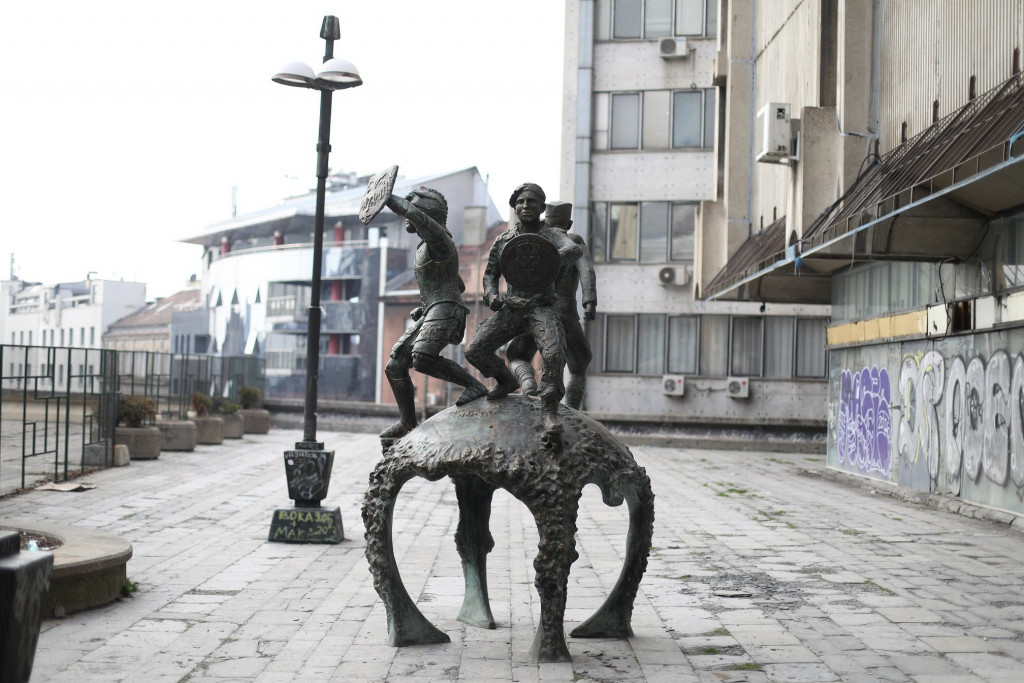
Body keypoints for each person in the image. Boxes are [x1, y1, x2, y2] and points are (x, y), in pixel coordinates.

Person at [465, 183, 581, 437]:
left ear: (542, 207)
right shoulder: (504, 240)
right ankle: (506, 380)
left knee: (554, 354)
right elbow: (490, 274)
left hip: (541, 308)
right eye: (520, 202)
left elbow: (573, 249)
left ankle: (549, 411)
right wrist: (491, 294)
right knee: (474, 350)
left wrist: (549, 260)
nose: (526, 206)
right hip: (512, 308)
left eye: (531, 201)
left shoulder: (551, 234)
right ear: (515, 207)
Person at [379, 187, 488, 440]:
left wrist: (387, 197)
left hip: (446, 309)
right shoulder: (426, 246)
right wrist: (427, 303)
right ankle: (407, 422)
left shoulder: (439, 238)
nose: (408, 217)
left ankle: (474, 385)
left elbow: (412, 213)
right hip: (435, 308)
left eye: (414, 211)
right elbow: (455, 283)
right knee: (395, 365)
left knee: (422, 357)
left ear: (426, 214)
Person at [506, 201, 596, 410]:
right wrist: (589, 301)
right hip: (565, 313)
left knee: (517, 355)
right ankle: (572, 408)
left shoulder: (534, 242)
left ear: (545, 221)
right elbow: (587, 271)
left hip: (533, 310)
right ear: (569, 224)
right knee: (579, 365)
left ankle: (528, 384)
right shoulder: (574, 242)